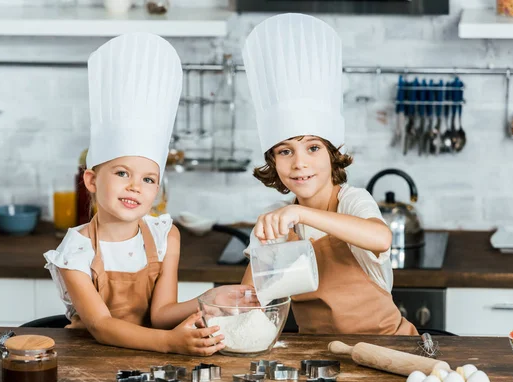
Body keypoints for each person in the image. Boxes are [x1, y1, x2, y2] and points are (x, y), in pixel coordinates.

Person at [44, 33, 250, 355]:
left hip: (148, 359)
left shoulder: (166, 237)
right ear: (91, 180)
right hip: (89, 361)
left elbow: (161, 314)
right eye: (122, 173)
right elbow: (101, 326)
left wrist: (210, 299)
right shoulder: (75, 250)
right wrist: (170, 342)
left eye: (149, 179)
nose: (135, 187)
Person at [240, 13, 418, 335]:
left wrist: (300, 213)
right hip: (319, 361)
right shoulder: (276, 224)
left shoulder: (352, 201)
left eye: (313, 148)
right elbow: (250, 301)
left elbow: (380, 237)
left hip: (389, 350)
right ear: (273, 162)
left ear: (332, 154)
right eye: (285, 151)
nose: (299, 163)